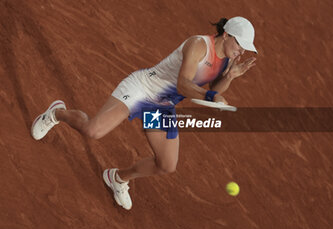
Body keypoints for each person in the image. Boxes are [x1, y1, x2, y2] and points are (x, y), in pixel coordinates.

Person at [31, 16, 257, 210]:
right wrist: (211, 98)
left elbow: (213, 88)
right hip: (141, 89)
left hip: (162, 105)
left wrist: (229, 77)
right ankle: (56, 113)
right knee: (93, 131)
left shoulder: (226, 59)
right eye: (240, 43)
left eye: (245, 46)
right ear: (226, 35)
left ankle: (117, 178)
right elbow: (183, 84)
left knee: (167, 164)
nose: (242, 50)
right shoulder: (199, 45)